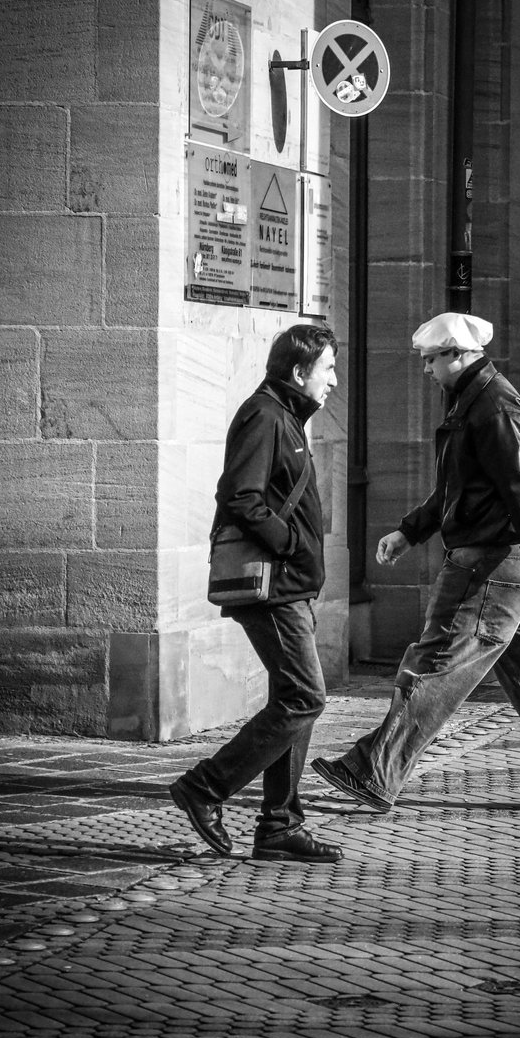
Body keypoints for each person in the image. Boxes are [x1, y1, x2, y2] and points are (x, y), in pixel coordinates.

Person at [312, 312, 520, 813]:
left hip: (492, 562)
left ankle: (374, 768)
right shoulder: (473, 402)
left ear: (457, 355)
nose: (426, 369)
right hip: (506, 559)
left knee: (438, 660)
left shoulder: (494, 405)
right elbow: (459, 488)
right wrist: (410, 531)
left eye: (431, 360)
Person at [171, 324, 343, 863]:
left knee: (291, 700)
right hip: (273, 587)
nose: (334, 381)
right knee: (304, 698)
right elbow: (240, 496)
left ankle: (279, 826)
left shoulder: (286, 416)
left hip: (291, 584)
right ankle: (206, 787)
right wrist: (291, 544)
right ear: (299, 372)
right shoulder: (264, 415)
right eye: (328, 369)